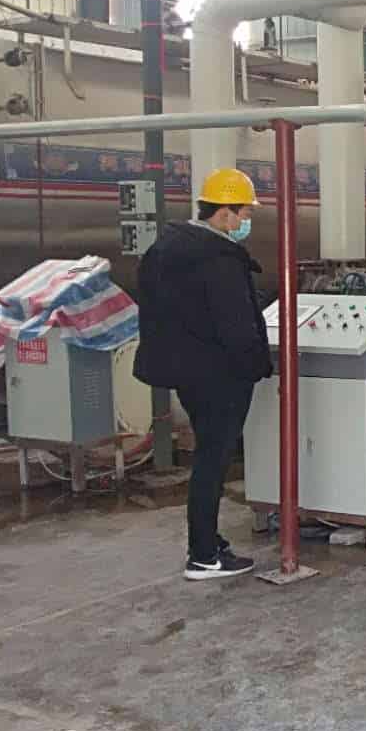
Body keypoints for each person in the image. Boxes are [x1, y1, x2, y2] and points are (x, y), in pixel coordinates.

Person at [135, 168, 273, 581]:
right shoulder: (218, 259)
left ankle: (209, 541)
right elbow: (236, 328)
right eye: (245, 212)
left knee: (207, 456)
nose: (247, 220)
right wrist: (258, 367)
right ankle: (203, 556)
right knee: (213, 461)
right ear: (225, 214)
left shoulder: (166, 249)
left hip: (187, 374)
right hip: (220, 377)